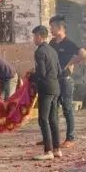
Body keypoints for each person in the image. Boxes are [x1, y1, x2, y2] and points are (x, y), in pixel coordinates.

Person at [48, 15, 86, 147]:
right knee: (52, 108)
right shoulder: (52, 43)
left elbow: (84, 55)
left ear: (60, 28)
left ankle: (70, 138)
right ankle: (51, 137)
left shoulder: (69, 43)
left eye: (52, 27)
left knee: (67, 108)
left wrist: (69, 63)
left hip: (65, 80)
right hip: (54, 79)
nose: (51, 30)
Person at [29, 25, 62, 161]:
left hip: (46, 89)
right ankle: (57, 149)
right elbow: (59, 71)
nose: (33, 39)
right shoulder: (52, 50)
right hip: (56, 87)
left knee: (43, 119)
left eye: (34, 36)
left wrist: (31, 76)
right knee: (53, 119)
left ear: (39, 36)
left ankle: (48, 150)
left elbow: (41, 73)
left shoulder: (40, 52)